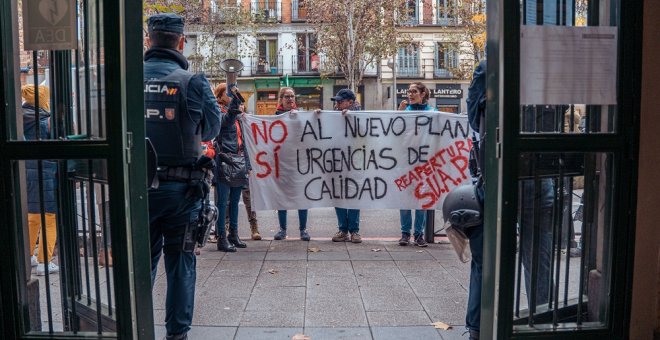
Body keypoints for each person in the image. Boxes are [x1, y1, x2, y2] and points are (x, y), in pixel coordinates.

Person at [144, 13, 221, 340]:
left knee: (140, 265)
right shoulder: (193, 82)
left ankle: (136, 325)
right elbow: (213, 128)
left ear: (148, 41)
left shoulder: (127, 79)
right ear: (181, 41)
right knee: (180, 266)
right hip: (182, 193)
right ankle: (177, 335)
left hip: (137, 191)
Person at [21, 84, 60, 276]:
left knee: (33, 216)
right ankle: (46, 261)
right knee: (49, 217)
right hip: (45, 173)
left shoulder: (19, 118)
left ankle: (28, 256)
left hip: (26, 173)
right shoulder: (46, 121)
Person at [213, 83, 251, 252]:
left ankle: (233, 234)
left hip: (238, 160)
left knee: (235, 201)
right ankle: (221, 237)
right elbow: (225, 123)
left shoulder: (237, 115)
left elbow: (243, 141)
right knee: (222, 202)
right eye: (229, 94)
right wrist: (235, 107)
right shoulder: (219, 112)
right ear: (221, 95)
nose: (232, 96)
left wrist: (248, 163)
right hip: (225, 161)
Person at [273, 87, 311, 241]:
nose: (290, 99)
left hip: (299, 162)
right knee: (282, 197)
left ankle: (303, 230)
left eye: (292, 96)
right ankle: (282, 229)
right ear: (281, 99)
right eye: (287, 96)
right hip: (282, 163)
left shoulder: (300, 116)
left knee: (302, 196)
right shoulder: (275, 117)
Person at [325, 89, 363, 244]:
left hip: (356, 162)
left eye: (340, 101)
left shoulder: (362, 116)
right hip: (337, 162)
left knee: (354, 196)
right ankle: (343, 229)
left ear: (351, 102)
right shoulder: (333, 117)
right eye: (337, 101)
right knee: (338, 195)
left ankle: (354, 231)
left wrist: (352, 119)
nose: (337, 103)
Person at [397, 82, 432, 247]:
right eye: (408, 91)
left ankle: (418, 234)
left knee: (421, 199)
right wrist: (399, 113)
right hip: (405, 161)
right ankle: (405, 234)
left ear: (423, 93)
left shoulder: (432, 113)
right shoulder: (405, 112)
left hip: (424, 162)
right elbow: (394, 131)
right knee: (404, 198)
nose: (410, 94)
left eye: (413, 91)